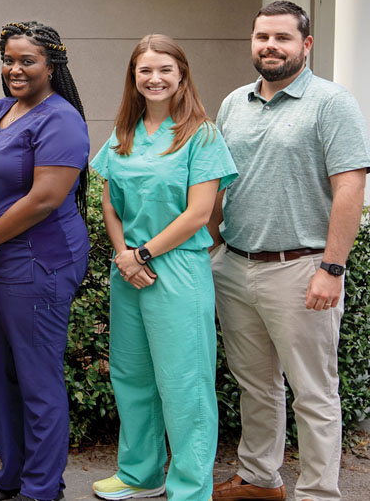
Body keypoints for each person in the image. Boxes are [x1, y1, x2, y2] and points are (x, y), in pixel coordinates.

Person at [209, 0, 370, 501]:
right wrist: (213, 249)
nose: (270, 46)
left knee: (314, 393)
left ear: (305, 44)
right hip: (235, 266)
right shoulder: (235, 102)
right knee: (255, 386)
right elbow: (219, 184)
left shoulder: (331, 101)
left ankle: (320, 493)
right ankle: (260, 478)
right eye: (262, 37)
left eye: (282, 38)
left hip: (301, 269)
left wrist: (332, 268)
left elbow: (350, 187)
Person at [88, 34, 237, 501]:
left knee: (184, 383)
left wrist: (144, 254)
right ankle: (140, 474)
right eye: (144, 71)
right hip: (127, 268)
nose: (154, 78)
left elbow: (199, 213)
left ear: (182, 75)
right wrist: (124, 256)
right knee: (132, 376)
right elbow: (111, 203)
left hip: (176, 270)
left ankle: (190, 489)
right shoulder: (123, 134)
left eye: (164, 70)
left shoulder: (201, 135)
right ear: (133, 78)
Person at [0, 21, 90, 501]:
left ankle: (41, 487)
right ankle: (11, 471)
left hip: (38, 263)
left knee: (36, 378)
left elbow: (45, 198)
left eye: (27, 60)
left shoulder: (61, 119)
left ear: (52, 64)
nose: (15, 69)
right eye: (9, 59)